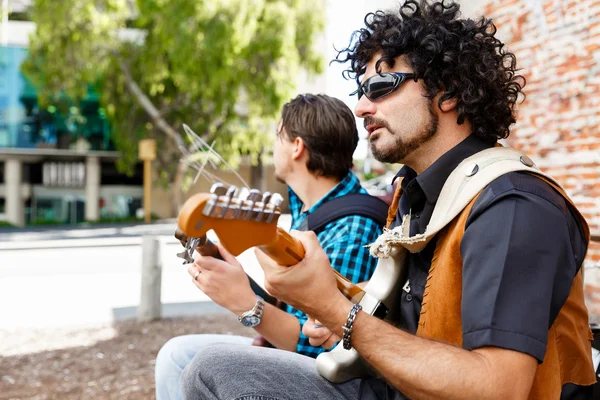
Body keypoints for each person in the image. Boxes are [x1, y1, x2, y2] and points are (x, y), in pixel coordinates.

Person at [180, 1, 596, 399]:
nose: (361, 107)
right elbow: (429, 318)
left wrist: (336, 312)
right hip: (395, 388)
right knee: (191, 360)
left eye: (381, 85)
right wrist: (347, 303)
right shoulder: (414, 194)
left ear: (447, 92)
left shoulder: (513, 204)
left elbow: (498, 388)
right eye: (362, 90)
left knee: (211, 367)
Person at [155, 93, 384, 400]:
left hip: (336, 378)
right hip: (306, 356)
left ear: (297, 147)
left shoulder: (354, 227)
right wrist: (239, 281)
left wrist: (246, 305)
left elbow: (322, 347)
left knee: (198, 364)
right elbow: (295, 307)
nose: (274, 147)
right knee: (175, 355)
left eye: (279, 136)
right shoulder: (307, 209)